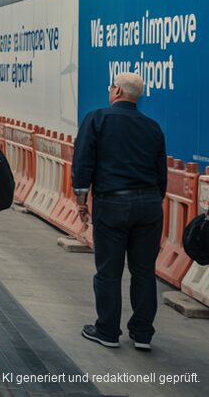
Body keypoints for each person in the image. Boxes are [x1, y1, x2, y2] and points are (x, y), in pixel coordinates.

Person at [72, 72, 167, 351]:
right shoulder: (152, 127)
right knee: (144, 271)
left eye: (111, 86)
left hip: (112, 203)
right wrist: (153, 199)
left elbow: (84, 160)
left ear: (117, 92)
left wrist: (81, 198)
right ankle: (142, 334)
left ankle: (107, 330)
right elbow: (161, 172)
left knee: (109, 271)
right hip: (149, 204)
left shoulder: (97, 118)